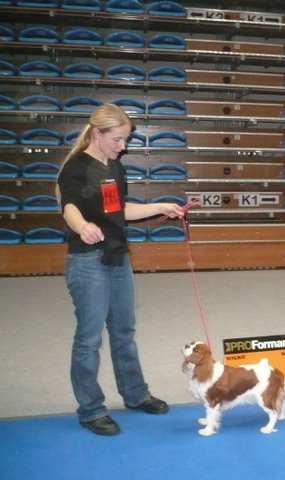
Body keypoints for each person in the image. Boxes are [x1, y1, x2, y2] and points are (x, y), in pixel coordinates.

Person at [57, 103, 184, 436]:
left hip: (117, 257)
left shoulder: (114, 166)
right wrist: (82, 226)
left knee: (124, 331)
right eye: (117, 139)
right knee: (89, 339)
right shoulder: (75, 168)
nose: (123, 146)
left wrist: (161, 206)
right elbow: (69, 206)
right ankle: (90, 410)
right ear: (97, 134)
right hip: (87, 261)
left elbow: (119, 209)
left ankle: (135, 394)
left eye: (125, 139)